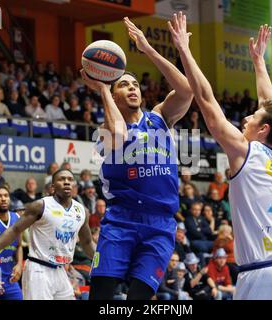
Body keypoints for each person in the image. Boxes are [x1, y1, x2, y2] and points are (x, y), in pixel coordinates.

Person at [169, 15, 272, 299]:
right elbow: (269, 103)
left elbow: (206, 100)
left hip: (262, 274)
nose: (247, 118)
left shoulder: (245, 151)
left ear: (264, 129)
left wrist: (184, 50)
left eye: (253, 117)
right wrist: (258, 62)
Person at [86, 17, 193, 300]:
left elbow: (187, 90)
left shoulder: (160, 117)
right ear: (114, 93)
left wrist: (147, 49)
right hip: (121, 219)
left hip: (160, 224)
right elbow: (119, 136)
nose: (133, 88)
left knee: (138, 300)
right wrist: (104, 87)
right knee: (101, 297)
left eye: (135, 84)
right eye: (124, 85)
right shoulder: (103, 130)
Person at [0, 169, 95, 300]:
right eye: (62, 179)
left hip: (61, 271)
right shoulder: (41, 206)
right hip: (39, 269)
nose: (66, 182)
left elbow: (87, 242)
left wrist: (101, 260)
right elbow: (14, 230)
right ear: (52, 187)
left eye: (70, 179)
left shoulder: (82, 211)